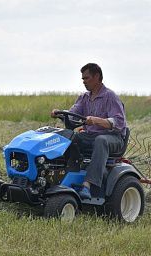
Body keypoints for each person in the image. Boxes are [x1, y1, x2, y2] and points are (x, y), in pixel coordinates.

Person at [51, 63, 127, 199]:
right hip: (90, 135)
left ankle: (87, 185)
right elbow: (73, 115)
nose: (84, 82)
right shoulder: (84, 97)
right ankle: (64, 175)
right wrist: (61, 114)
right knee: (69, 137)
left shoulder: (110, 96)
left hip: (113, 137)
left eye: (86, 78)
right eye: (82, 79)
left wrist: (97, 120)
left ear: (97, 77)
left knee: (101, 140)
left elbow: (119, 123)